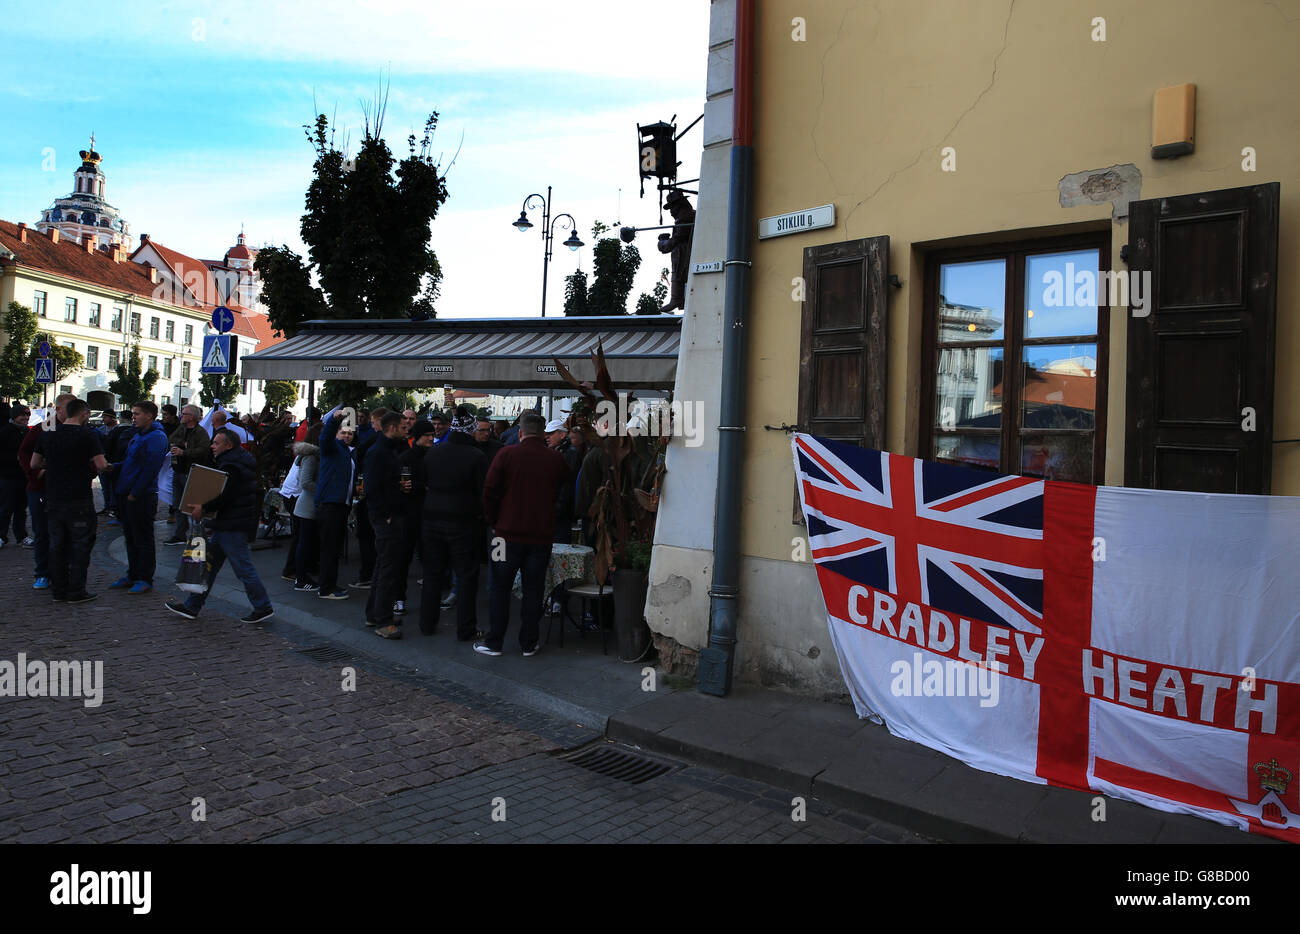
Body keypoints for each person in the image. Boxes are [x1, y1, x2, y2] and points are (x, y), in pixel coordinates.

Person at [478, 413, 570, 657]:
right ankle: (528, 642)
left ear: (520, 432)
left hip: (504, 534)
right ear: (543, 434)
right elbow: (563, 491)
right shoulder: (556, 459)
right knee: (534, 588)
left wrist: (493, 520)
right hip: (540, 536)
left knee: (499, 587)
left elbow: (489, 490)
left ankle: (495, 640)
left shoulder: (506, 454)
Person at [164, 428, 274, 623]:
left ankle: (263, 606)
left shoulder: (232, 465)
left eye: (216, 443)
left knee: (242, 568)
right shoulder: (236, 461)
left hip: (231, 525)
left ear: (228, 445)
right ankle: (192, 606)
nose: (212, 446)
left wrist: (203, 508)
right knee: (210, 567)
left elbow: (226, 496)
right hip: (228, 523)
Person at [30, 398, 107, 604]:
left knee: (57, 544)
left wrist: (54, 465)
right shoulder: (88, 435)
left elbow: (34, 463)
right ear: (84, 414)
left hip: (54, 497)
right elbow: (100, 464)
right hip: (79, 498)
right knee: (80, 545)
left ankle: (58, 590)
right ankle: (76, 591)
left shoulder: (47, 433)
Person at [419, 413, 488, 641]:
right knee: (466, 576)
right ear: (470, 431)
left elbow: (424, 484)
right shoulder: (477, 456)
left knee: (432, 574)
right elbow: (483, 494)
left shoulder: (434, 452)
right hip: (464, 521)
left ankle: (427, 623)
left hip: (431, 519)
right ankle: (465, 628)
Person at [109, 401, 170, 594]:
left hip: (141, 496)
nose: (133, 417)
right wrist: (114, 467)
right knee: (130, 537)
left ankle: (145, 578)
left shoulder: (156, 437)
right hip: (126, 492)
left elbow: (150, 468)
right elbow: (131, 462)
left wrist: (135, 492)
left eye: (137, 414)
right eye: (133, 413)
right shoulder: (139, 435)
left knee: (142, 538)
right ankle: (133, 573)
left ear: (150, 416)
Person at [364, 411, 409, 638]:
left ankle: (375, 613)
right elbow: (372, 488)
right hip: (386, 518)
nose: (406, 430)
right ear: (391, 428)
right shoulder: (379, 452)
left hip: (389, 515)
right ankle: (382, 620)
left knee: (384, 566)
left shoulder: (387, 450)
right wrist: (385, 514)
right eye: (402, 427)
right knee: (387, 569)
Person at [393, 419, 434, 619]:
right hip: (409, 515)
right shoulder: (406, 457)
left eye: (432, 435)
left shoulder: (433, 456)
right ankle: (398, 598)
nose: (431, 438)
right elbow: (402, 486)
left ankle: (427, 603)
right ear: (418, 436)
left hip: (427, 515)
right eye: (428, 435)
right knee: (403, 558)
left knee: (429, 560)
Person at [314, 406, 355, 600]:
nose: (347, 436)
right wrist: (334, 421)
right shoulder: (332, 448)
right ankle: (326, 588)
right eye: (343, 433)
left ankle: (330, 583)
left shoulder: (347, 451)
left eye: (349, 433)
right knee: (330, 547)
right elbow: (324, 438)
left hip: (341, 504)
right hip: (331, 503)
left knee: (334, 547)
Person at [165, 405, 211, 545]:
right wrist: (182, 446)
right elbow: (171, 440)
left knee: (192, 504)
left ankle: (197, 534)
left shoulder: (200, 432)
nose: (181, 415)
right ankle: (180, 533)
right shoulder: (181, 428)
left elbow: (203, 450)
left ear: (192, 417)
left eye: (184, 414)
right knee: (177, 503)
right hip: (178, 470)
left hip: (191, 472)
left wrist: (184, 451)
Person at [289, 426, 321, 590]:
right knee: (304, 543)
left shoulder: (309, 456)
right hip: (307, 506)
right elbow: (305, 482)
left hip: (306, 505)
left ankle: (301, 575)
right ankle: (301, 578)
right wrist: (323, 489)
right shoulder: (311, 457)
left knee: (304, 542)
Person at [0, 405, 32, 548]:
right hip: (8, 476)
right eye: (22, 415)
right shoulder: (5, 432)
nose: (25, 418)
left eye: (27, 415)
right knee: (6, 507)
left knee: (21, 508)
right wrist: (16, 458)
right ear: (14, 417)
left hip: (23, 476)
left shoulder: (27, 432)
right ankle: (1, 536)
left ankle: (22, 536)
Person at [102, 410, 136, 523]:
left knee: (115, 489)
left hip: (116, 463)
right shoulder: (137, 431)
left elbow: (108, 447)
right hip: (129, 464)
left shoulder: (116, 431)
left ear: (121, 418)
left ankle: (117, 513)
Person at [95, 409, 118, 515]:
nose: (103, 419)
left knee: (113, 486)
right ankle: (107, 506)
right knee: (104, 486)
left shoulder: (118, 430)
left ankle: (113, 506)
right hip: (102, 460)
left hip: (113, 461)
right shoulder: (100, 430)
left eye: (105, 417)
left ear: (112, 418)